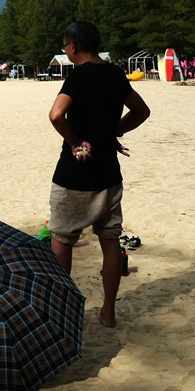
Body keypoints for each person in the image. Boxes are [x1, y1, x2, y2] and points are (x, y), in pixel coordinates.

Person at [48, 21, 151, 329]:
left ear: (73, 47)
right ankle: (108, 312)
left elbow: (56, 115)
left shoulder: (77, 76)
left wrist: (75, 141)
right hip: (109, 173)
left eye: (65, 46)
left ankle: (62, 312)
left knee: (62, 238)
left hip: (75, 175)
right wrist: (114, 131)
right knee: (110, 241)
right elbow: (141, 111)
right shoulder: (115, 74)